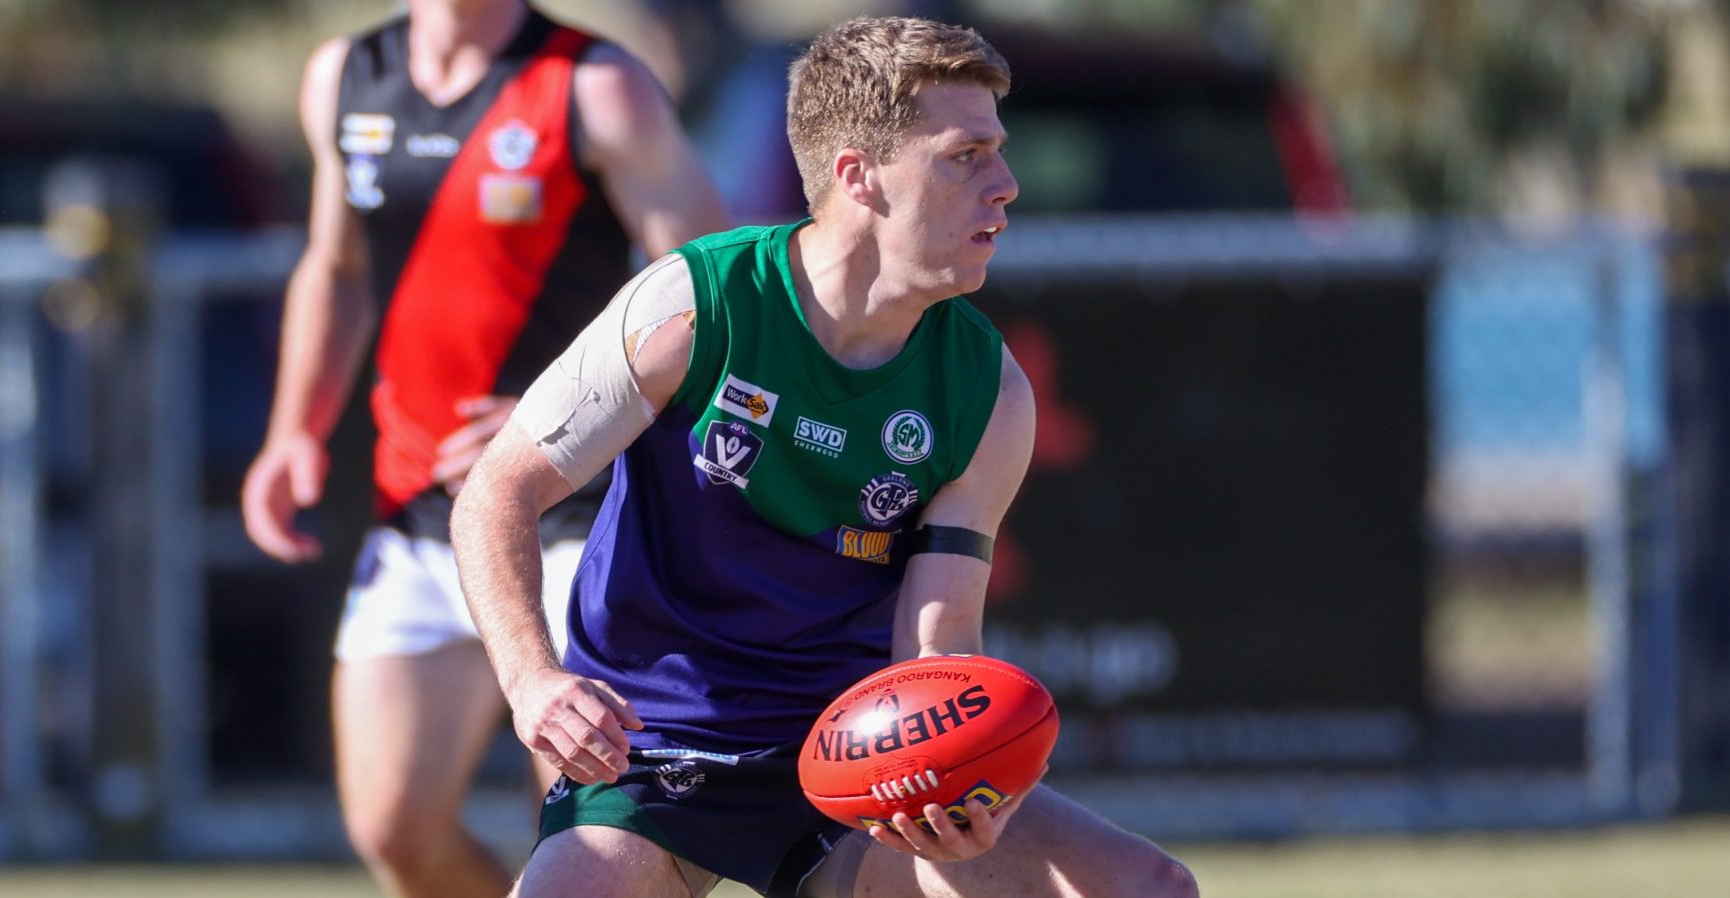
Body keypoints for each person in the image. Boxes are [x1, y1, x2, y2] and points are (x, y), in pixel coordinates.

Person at [452, 15, 1199, 898]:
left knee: (1149, 888)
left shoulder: (986, 390)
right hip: (652, 750)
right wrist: (533, 680)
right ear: (858, 175)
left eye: (998, 152)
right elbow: (495, 495)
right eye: (966, 156)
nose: (1006, 185)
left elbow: (936, 646)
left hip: (856, 752)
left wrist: (958, 781)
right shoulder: (695, 307)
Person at [238, 1, 729, 895]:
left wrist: (563, 412)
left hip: (576, 524)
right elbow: (337, 268)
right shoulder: (344, 76)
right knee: (393, 826)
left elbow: (715, 297)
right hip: (419, 514)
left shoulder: (596, 86)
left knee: (587, 836)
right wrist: (292, 433)